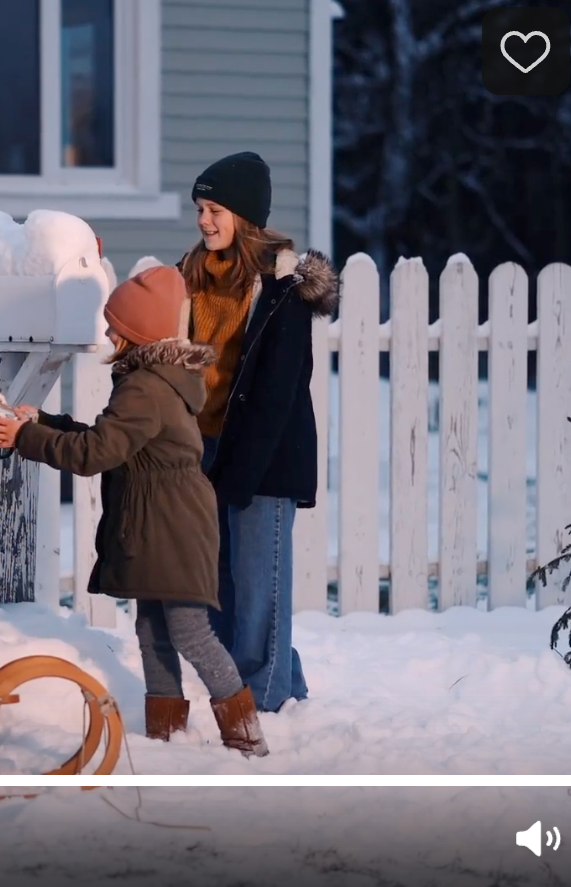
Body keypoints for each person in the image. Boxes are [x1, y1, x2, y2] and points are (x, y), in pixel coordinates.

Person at [0, 266, 269, 757]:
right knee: (151, 628)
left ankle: (245, 735)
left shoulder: (146, 387)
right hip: (159, 522)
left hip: (172, 526)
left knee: (188, 631)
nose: (109, 332)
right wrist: (46, 421)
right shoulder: (152, 380)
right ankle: (166, 734)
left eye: (116, 324)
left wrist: (25, 438)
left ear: (138, 333)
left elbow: (97, 453)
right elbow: (111, 438)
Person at [181, 151, 339, 713]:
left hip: (263, 455)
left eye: (216, 209)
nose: (204, 220)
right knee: (218, 587)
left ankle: (266, 703)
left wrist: (242, 473)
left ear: (246, 216)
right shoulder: (193, 274)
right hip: (205, 447)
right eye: (200, 208)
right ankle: (266, 685)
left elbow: (279, 392)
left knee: (257, 590)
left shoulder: (282, 289)